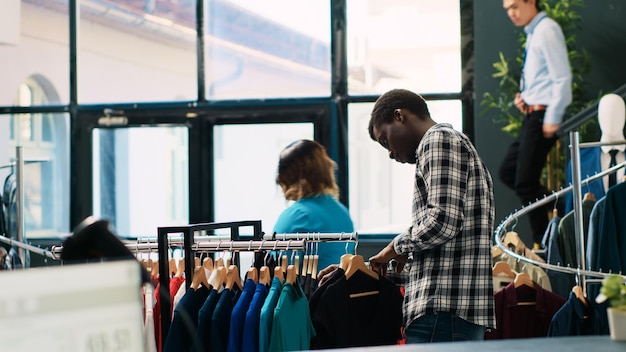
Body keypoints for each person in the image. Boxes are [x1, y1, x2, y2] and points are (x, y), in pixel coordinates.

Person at [320, 89, 496, 343]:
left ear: (399, 116)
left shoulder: (439, 140)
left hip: (442, 313)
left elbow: (443, 222)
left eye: (384, 141)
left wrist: (394, 246)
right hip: (448, 312)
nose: (390, 153)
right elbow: (436, 257)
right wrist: (356, 273)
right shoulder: (448, 143)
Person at [498, 0, 573, 247]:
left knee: (525, 182)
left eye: (515, 6)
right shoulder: (534, 32)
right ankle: (563, 206)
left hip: (543, 119)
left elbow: (562, 78)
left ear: (531, 1)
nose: (511, 13)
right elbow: (542, 78)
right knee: (508, 172)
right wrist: (526, 98)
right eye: (507, 9)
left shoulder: (547, 29)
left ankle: (543, 242)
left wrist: (552, 119)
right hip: (532, 115)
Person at [273, 139, 355, 271]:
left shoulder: (297, 216)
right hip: (340, 291)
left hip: (309, 292)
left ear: (287, 177)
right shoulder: (342, 212)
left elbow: (276, 275)